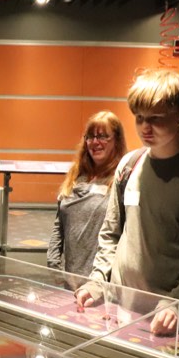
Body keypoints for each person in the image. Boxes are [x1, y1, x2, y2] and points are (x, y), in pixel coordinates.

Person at [75, 69, 179, 336]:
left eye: (156, 119)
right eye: (139, 118)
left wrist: (176, 302)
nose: (145, 128)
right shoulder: (129, 165)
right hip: (119, 310)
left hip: (170, 321)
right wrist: (98, 281)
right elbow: (112, 233)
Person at [47, 111, 128, 277]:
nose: (95, 142)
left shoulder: (122, 179)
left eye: (103, 136)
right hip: (70, 275)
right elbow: (59, 223)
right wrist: (53, 265)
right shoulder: (77, 174)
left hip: (101, 278)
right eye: (90, 137)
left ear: (116, 141)